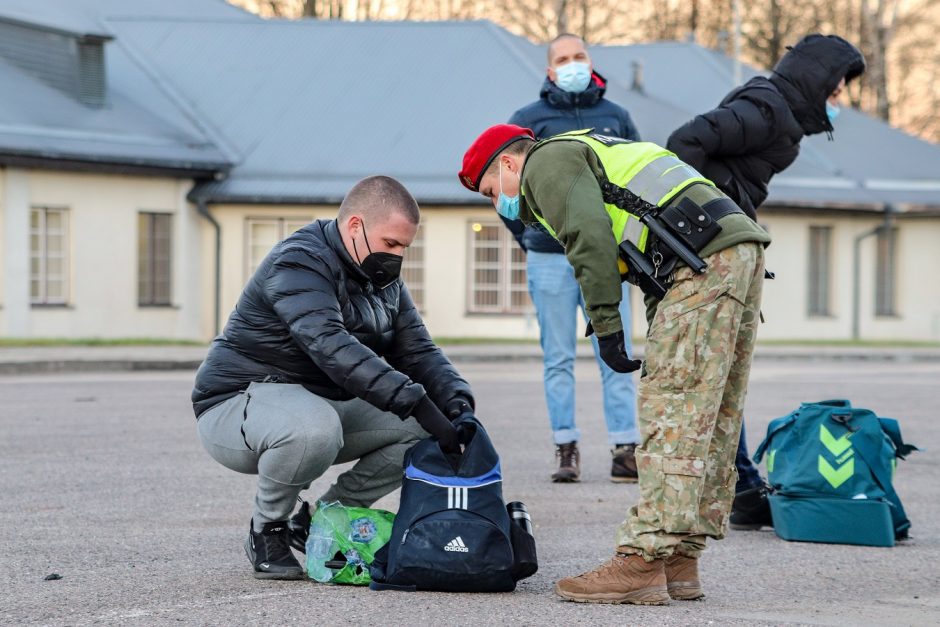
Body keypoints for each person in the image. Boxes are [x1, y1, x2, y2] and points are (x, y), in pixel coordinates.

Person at [459, 124, 771, 604]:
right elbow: (648, 265)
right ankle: (679, 558)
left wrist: (605, 326)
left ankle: (642, 561)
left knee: (673, 412)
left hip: (702, 257)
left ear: (507, 163)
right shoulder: (592, 147)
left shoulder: (545, 162)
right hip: (733, 251)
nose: (495, 203)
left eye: (488, 190)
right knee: (712, 414)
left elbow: (589, 239)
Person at [192, 176, 476, 580]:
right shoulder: (298, 261)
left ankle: (324, 519)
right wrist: (414, 398)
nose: (397, 257)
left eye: (404, 248)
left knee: (426, 431)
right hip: (239, 401)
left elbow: (417, 350)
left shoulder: (383, 280)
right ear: (356, 226)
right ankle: (267, 527)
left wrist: (458, 405)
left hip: (319, 399)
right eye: (391, 244)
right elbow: (330, 345)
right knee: (313, 430)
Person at [667, 33, 865, 530]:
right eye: (837, 88)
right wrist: (705, 220)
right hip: (708, 252)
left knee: (721, 372)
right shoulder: (767, 107)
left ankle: (740, 486)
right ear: (816, 78)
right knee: (711, 373)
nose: (838, 99)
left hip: (722, 249)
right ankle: (735, 487)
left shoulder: (782, 116)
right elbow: (685, 142)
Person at [505, 33, 642, 484]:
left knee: (615, 350)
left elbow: (638, 177)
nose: (572, 64)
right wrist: (529, 236)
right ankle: (565, 447)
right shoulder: (529, 119)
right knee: (558, 358)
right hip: (549, 259)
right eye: (563, 59)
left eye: (579, 56)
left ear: (591, 60)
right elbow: (508, 187)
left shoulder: (616, 117)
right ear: (549, 70)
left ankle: (625, 447)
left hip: (607, 258)